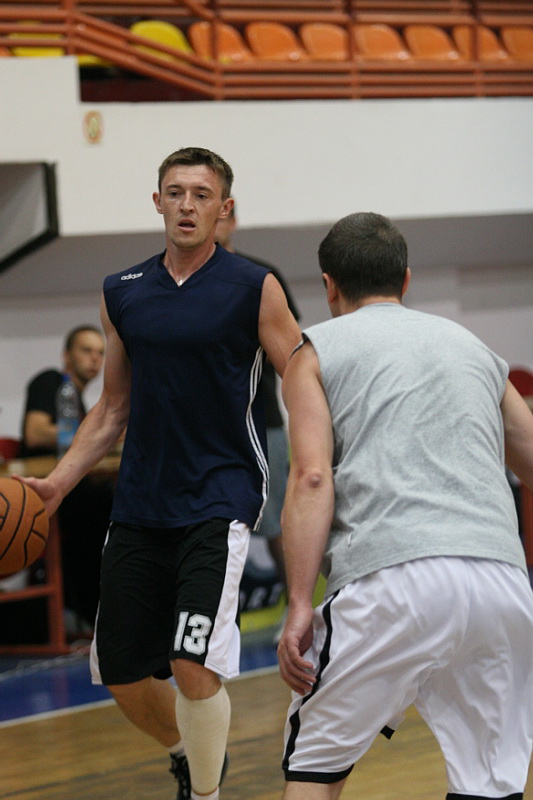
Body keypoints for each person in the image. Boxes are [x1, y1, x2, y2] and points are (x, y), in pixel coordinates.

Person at [20, 147, 301, 800]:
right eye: (175, 192)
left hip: (220, 496)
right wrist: (58, 482)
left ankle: (205, 793)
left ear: (223, 208)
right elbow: (111, 407)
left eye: (201, 194)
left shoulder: (253, 286)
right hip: (141, 502)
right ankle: (188, 752)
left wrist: (319, 456)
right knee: (120, 673)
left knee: (191, 661)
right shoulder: (122, 290)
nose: (187, 205)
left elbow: (301, 375)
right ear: (157, 202)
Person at [277, 211, 533, 800]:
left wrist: (298, 603)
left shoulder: (314, 352)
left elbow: (312, 478)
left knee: (316, 767)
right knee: (489, 782)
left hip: (391, 579)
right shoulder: (473, 348)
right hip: (499, 581)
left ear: (329, 286)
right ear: (406, 279)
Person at [215, 203, 301, 605]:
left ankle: (298, 606)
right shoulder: (178, 281)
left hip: (262, 419)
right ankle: (214, 616)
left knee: (277, 520)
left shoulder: (260, 277)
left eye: (219, 214)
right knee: (212, 528)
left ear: (231, 219)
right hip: (208, 426)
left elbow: (292, 349)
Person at [19, 325, 113, 635]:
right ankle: (93, 613)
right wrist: (98, 437)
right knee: (105, 505)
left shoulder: (79, 400)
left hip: (73, 493)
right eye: (86, 350)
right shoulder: (51, 381)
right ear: (67, 355)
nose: (95, 359)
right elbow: (35, 433)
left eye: (100, 353)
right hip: (44, 495)